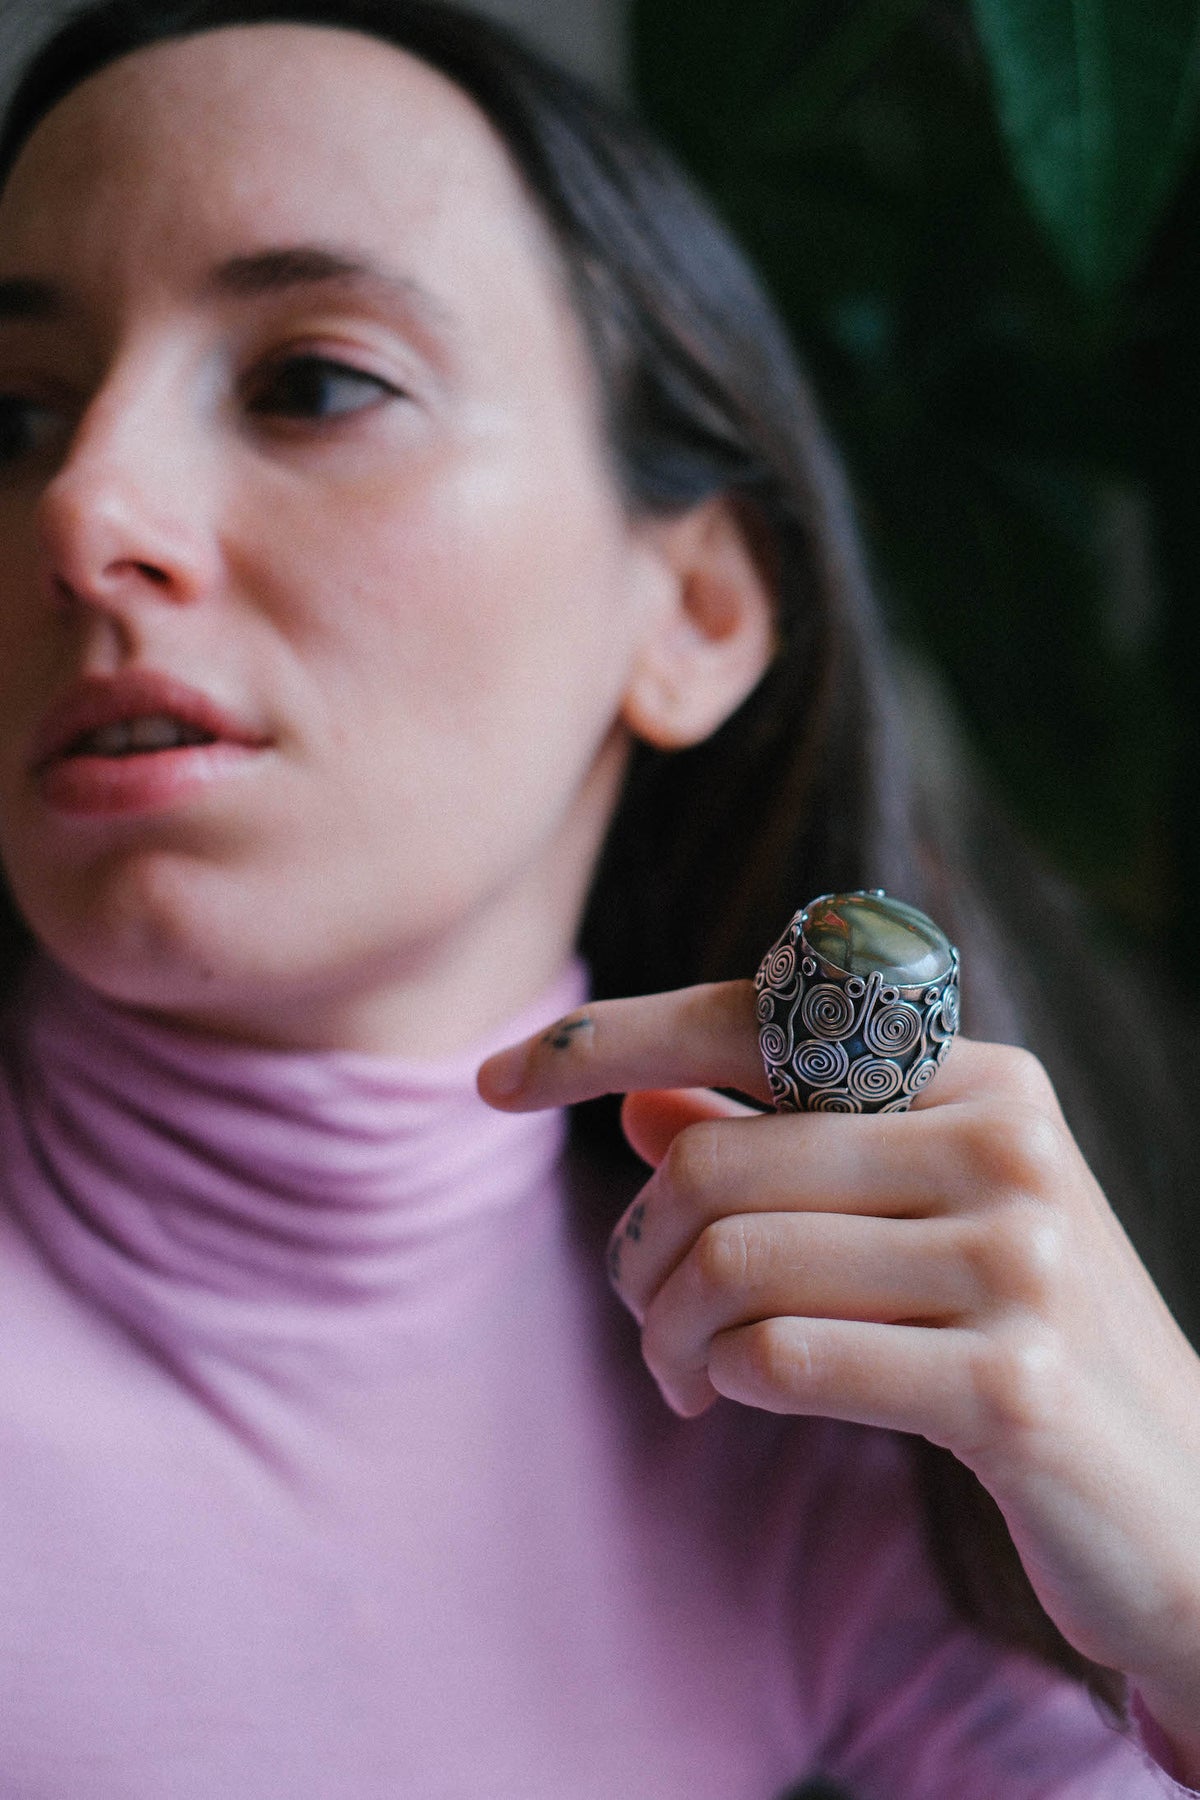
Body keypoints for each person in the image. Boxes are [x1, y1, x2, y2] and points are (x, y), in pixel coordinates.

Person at [0, 0, 1195, 1793]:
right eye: (10, 414)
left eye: (312, 381)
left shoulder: (823, 1451)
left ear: (697, 609)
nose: (82, 506)